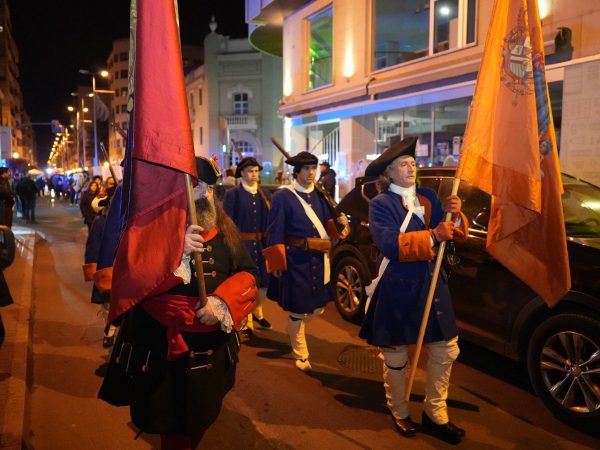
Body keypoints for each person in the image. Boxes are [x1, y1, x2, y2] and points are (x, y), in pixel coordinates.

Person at [99, 157, 259, 449]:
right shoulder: (148, 227)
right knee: (170, 423)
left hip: (211, 347)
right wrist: (174, 252)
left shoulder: (226, 231)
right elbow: (130, 281)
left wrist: (222, 302)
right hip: (159, 346)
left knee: (200, 417)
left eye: (210, 188)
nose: (205, 195)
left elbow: (249, 273)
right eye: (197, 187)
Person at [358, 137, 468, 444]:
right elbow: (391, 245)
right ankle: (400, 410)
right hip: (398, 287)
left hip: (432, 285)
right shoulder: (381, 204)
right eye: (403, 164)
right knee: (396, 356)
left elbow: (453, 234)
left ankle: (436, 415)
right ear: (389, 173)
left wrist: (454, 214)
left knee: (445, 349)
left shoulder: (429, 196)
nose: (411, 168)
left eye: (413, 163)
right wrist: (433, 234)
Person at [263, 151, 349, 372]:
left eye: (314, 168)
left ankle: (294, 325)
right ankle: (300, 352)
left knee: (318, 307)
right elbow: (274, 231)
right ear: (297, 171)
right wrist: (277, 263)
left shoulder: (321, 195)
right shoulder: (283, 197)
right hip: (296, 260)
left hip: (320, 260)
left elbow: (326, 227)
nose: (312, 173)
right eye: (307, 169)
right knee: (299, 308)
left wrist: (339, 224)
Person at [223, 157, 272, 335]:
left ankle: (256, 311)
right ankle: (247, 318)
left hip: (261, 245)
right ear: (242, 173)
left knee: (265, 285)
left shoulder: (265, 193)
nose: (254, 175)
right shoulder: (233, 194)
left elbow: (271, 221)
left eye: (256, 171)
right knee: (245, 284)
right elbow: (227, 224)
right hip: (242, 246)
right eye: (250, 171)